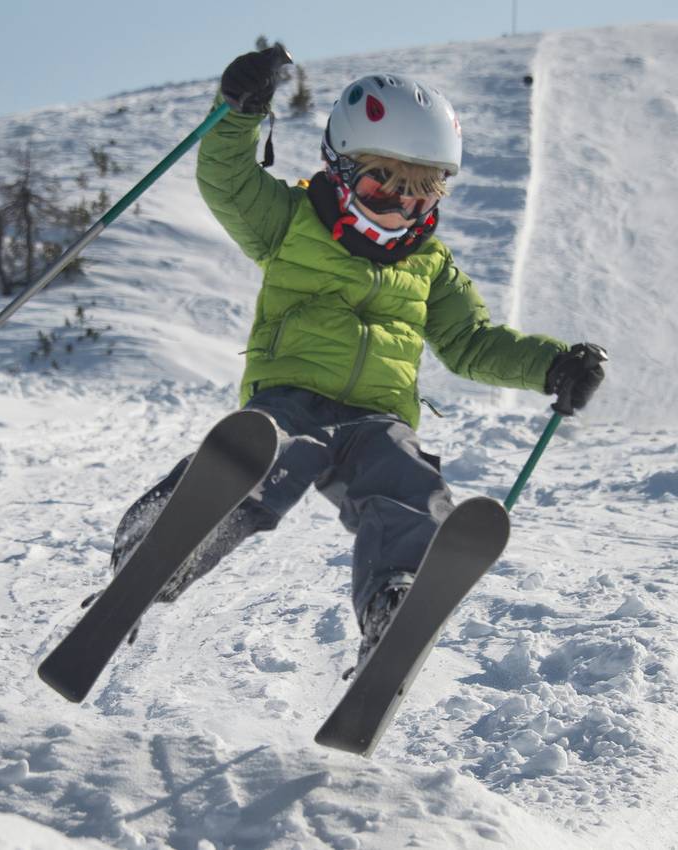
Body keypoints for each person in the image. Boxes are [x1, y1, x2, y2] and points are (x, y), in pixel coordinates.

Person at [110, 45, 605, 666]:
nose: (402, 208)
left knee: (408, 486)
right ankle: (158, 550)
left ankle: (395, 599)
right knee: (263, 459)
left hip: (377, 418)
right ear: (340, 168)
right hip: (290, 399)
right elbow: (228, 181)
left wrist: (551, 365)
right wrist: (239, 113)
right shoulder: (290, 220)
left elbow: (471, 342)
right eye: (383, 187)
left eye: (421, 196)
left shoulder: (431, 265)